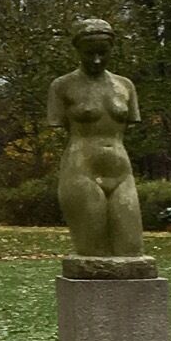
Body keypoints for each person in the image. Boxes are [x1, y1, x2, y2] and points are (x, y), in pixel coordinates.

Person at [46, 18, 145, 259]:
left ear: (112, 49)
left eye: (103, 53)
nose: (97, 60)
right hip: (82, 170)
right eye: (89, 53)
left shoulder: (125, 86)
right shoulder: (63, 86)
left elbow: (130, 123)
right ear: (78, 51)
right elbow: (57, 124)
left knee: (131, 250)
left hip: (121, 170)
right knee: (93, 252)